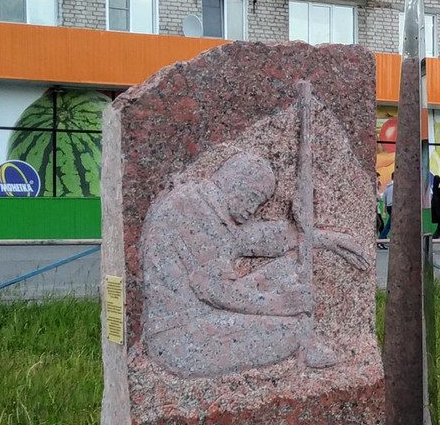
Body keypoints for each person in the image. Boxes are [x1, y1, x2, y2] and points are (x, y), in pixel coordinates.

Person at [140, 152, 369, 378]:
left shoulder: (208, 205)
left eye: (259, 203)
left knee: (287, 267)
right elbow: (218, 291)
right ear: (234, 182)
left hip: (208, 315)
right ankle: (301, 340)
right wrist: (281, 304)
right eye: (253, 197)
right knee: (294, 331)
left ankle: (298, 333)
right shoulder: (191, 209)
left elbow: (257, 238)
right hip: (183, 338)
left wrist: (322, 238)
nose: (253, 209)